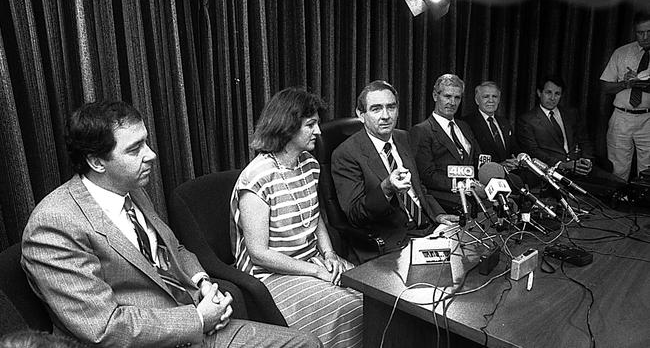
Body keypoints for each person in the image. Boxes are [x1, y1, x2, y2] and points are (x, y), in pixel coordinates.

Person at [21, 100, 320, 348]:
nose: (151, 155)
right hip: (150, 340)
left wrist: (203, 283)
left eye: (146, 142)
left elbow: (173, 249)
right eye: (135, 149)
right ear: (97, 162)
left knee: (307, 343)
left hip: (193, 322)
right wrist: (199, 319)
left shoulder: (132, 190)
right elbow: (104, 327)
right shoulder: (54, 224)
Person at [230, 87, 363, 348]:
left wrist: (329, 255)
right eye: (311, 125)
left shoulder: (310, 165)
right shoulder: (256, 177)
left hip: (310, 262)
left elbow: (315, 219)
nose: (319, 131)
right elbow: (259, 253)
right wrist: (316, 272)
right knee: (348, 308)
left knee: (372, 296)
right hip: (269, 275)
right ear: (287, 128)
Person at [331, 80, 459, 263]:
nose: (385, 116)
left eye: (391, 107)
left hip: (429, 229)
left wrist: (438, 214)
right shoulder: (345, 154)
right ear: (361, 115)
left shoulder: (402, 137)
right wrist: (386, 188)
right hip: (393, 242)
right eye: (376, 109)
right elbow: (355, 215)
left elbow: (418, 187)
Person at [517, 75, 623, 185]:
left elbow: (584, 141)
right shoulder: (527, 120)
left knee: (620, 185)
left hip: (581, 169)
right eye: (548, 92)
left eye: (557, 94)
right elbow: (533, 151)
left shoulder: (571, 114)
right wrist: (562, 164)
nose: (553, 98)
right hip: (554, 172)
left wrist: (587, 160)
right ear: (539, 93)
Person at [409, 74, 482, 209]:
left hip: (471, 192)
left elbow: (477, 160)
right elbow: (426, 175)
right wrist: (464, 185)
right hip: (444, 197)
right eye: (447, 96)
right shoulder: (422, 130)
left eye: (457, 98)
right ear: (435, 96)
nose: (452, 103)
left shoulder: (464, 127)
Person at [600, 11, 650, 181]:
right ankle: (618, 203)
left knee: (648, 169)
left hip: (648, 116)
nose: (645, 37)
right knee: (617, 167)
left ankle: (644, 205)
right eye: (640, 32)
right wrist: (626, 84)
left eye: (649, 32)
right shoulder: (622, 53)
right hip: (622, 116)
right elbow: (605, 86)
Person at [462, 81, 518, 170]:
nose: (491, 100)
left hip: (509, 177)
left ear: (499, 99)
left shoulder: (505, 123)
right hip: (483, 177)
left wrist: (516, 160)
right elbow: (471, 157)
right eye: (486, 96)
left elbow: (514, 150)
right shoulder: (466, 123)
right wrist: (499, 166)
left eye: (494, 96)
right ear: (477, 100)